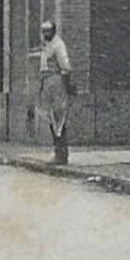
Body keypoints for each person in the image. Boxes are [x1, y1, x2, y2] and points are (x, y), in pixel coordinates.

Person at [37, 20, 74, 164]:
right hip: (47, 85)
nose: (46, 34)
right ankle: (57, 151)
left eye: (48, 31)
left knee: (59, 118)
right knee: (52, 118)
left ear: (54, 31)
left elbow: (65, 66)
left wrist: (66, 85)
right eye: (43, 31)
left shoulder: (58, 45)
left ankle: (62, 154)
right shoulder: (47, 46)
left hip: (56, 83)